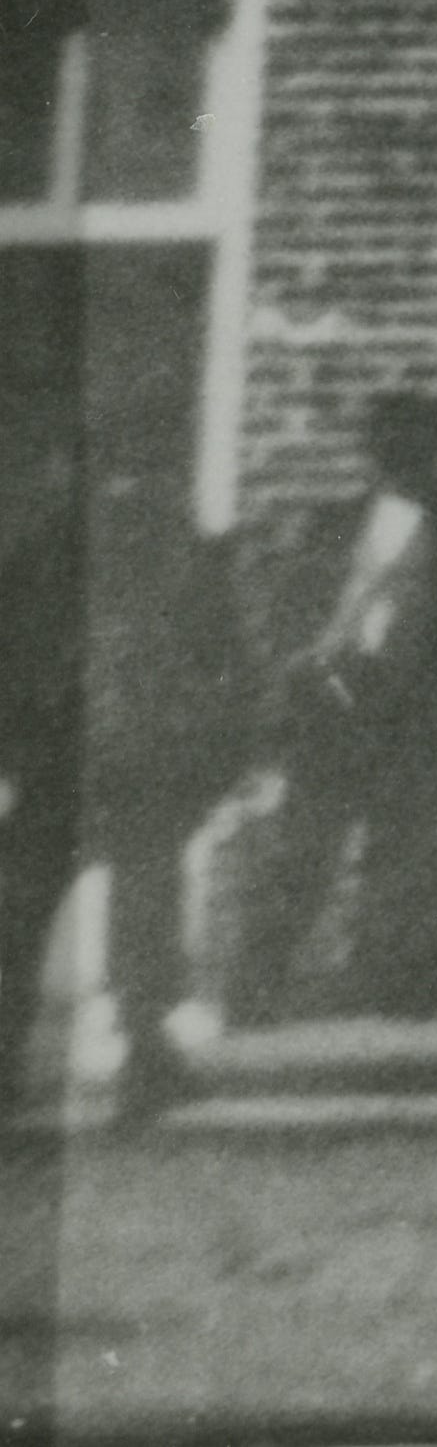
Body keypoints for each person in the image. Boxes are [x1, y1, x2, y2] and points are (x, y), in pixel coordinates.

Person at [230, 392, 437, 1019]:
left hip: (415, 704)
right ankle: (254, 990)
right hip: (336, 700)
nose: (401, 460)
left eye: (414, 447)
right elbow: (295, 607)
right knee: (304, 848)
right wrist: (306, 675)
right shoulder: (333, 520)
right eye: (390, 447)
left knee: (405, 846)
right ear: (374, 453)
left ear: (434, 454)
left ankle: (393, 987)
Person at [5, 432, 247, 1113]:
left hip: (66, 753)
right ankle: (147, 1060)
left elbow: (12, 652)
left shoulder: (41, 550)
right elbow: (225, 655)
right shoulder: (179, 544)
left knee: (22, 900)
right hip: (145, 754)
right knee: (143, 906)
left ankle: (12, 1053)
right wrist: (217, 753)